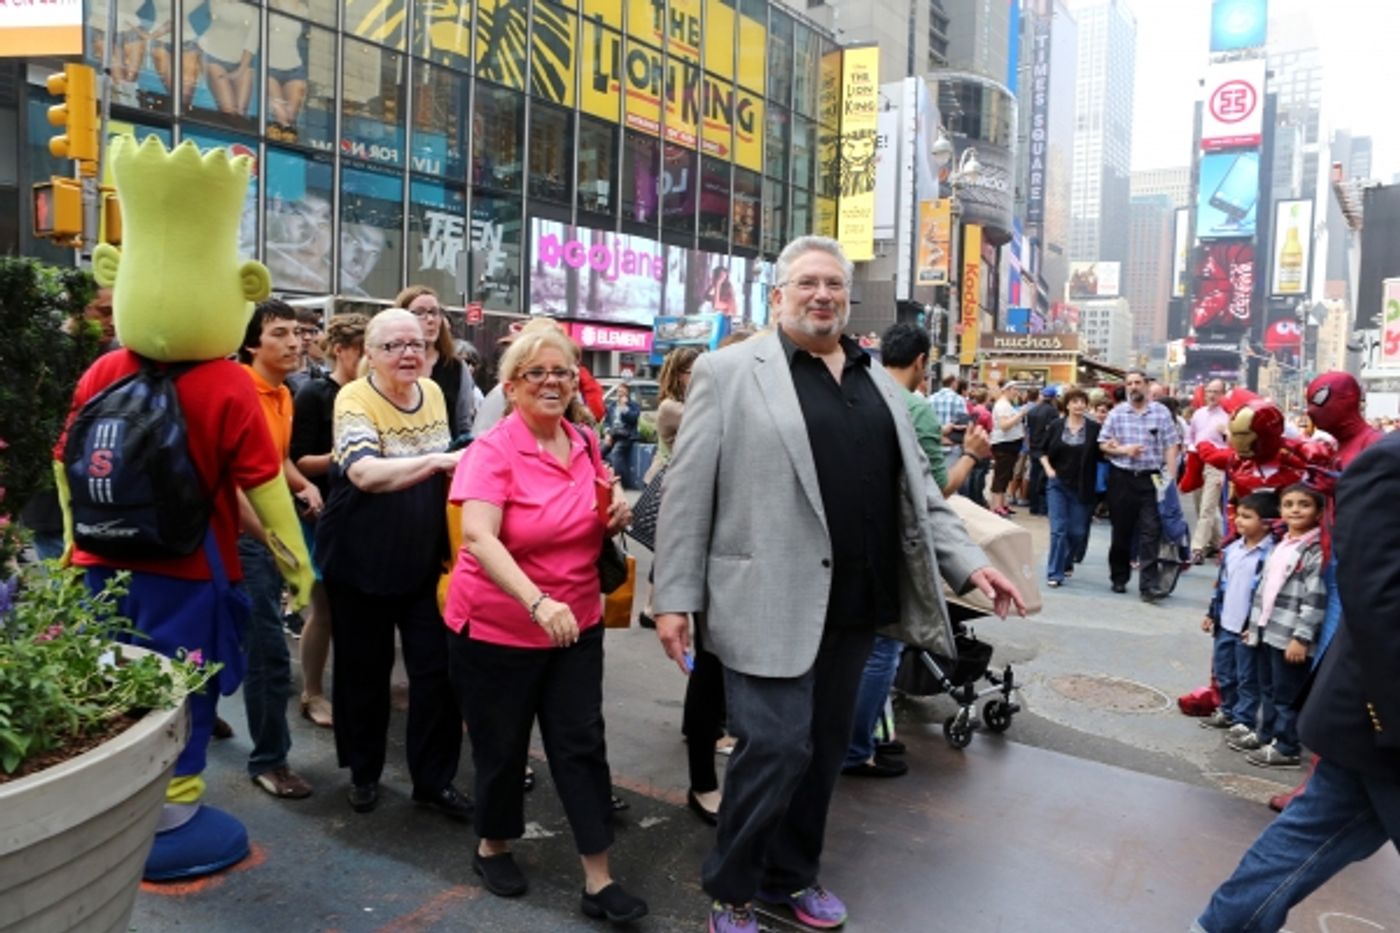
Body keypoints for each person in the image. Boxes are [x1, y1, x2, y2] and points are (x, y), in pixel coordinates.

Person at [651, 236, 1025, 933]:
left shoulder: (877, 380)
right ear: (778, 295)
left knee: (823, 753)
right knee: (775, 747)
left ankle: (791, 876)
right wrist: (673, 597)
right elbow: (687, 492)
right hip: (762, 599)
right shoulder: (729, 372)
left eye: (834, 285)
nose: (822, 295)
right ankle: (733, 889)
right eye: (808, 283)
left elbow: (920, 496)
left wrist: (969, 563)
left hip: (856, 604)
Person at [52, 136, 313, 880]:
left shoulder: (104, 369)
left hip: (101, 565)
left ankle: (113, 808)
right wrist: (298, 567)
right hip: (191, 572)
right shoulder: (226, 384)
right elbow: (265, 486)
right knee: (185, 693)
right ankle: (173, 816)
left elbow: (66, 464)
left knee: (110, 682)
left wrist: (72, 543)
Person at [443, 325, 648, 923]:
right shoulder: (492, 451)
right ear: (511, 387)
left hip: (575, 623)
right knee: (502, 746)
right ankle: (493, 844)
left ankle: (599, 878)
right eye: (537, 373)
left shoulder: (583, 441)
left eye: (562, 372)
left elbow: (589, 512)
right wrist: (537, 602)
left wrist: (613, 515)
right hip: (498, 627)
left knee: (581, 744)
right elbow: (479, 536)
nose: (552, 382)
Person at [1192, 434, 1400, 933]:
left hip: (1370, 727)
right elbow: (1377, 601)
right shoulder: (1390, 463)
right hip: (1377, 714)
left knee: (1301, 843)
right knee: (1300, 842)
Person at [313, 309, 468, 819]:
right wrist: (439, 461)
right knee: (363, 672)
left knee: (437, 672)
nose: (408, 354)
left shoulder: (435, 393)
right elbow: (364, 472)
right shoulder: (354, 398)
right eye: (394, 346)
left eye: (416, 344)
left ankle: (434, 780)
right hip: (359, 557)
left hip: (422, 557)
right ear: (371, 354)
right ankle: (364, 773)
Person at [842, 322, 992, 780]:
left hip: (848, 541)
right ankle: (857, 747)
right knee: (883, 648)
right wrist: (971, 455)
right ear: (922, 361)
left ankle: (856, 738)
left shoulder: (857, 390)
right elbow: (933, 493)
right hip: (892, 546)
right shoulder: (914, 408)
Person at [235, 299, 324, 798]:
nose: (295, 342)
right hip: (240, 537)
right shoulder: (238, 391)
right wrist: (267, 541)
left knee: (240, 637)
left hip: (270, 534)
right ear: (251, 344)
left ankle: (198, 715)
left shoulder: (284, 392)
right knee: (268, 652)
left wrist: (302, 485)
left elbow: (276, 459)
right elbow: (229, 481)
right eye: (280, 334)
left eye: (297, 332)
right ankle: (270, 761)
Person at [289, 313, 369, 728]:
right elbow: (297, 459)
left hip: (364, 513)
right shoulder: (315, 394)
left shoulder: (373, 393)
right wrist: (349, 455)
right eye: (363, 350)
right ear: (341, 350)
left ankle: (350, 692)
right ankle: (312, 692)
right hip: (320, 513)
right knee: (323, 609)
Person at [1224, 485, 1326, 769]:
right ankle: (1265, 734)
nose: (1295, 509)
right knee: (1267, 688)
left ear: (1319, 512)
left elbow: (1315, 598)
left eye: (1304, 504)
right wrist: (1255, 626)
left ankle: (1286, 746)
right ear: (1280, 511)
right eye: (1289, 504)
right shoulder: (1281, 544)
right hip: (1268, 631)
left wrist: (1301, 637)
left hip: (1289, 636)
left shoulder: (1314, 550)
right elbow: (1264, 591)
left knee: (1286, 695)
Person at [1197, 492, 1278, 735]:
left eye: (1247, 516)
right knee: (1224, 672)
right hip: (1225, 623)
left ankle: (1245, 719)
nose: (1239, 520)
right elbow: (1221, 585)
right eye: (1238, 515)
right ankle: (1227, 710)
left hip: (1247, 628)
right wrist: (1212, 613)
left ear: (1266, 523)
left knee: (1247, 677)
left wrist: (1256, 626)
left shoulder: (1271, 554)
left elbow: (1268, 597)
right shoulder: (1232, 549)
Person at [1099, 370, 1181, 601]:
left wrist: (1170, 478)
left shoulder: (1161, 412)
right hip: (1122, 477)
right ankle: (1119, 577)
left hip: (1151, 478)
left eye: (1137, 382)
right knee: (1121, 531)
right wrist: (1123, 450)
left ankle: (1148, 585)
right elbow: (1103, 444)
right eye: (1129, 384)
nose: (1133, 387)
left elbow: (1171, 445)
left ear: (1146, 385)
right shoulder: (1117, 414)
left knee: (1150, 531)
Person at [394, 286, 476, 447]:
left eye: (434, 312)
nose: (430, 319)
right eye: (420, 312)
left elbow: (464, 424)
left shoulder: (455, 367)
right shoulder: (389, 362)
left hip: (444, 456)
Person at [1039, 387, 1101, 588]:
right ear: (1066, 405)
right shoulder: (1056, 426)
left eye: (1082, 401)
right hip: (1057, 484)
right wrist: (1049, 469)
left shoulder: (1094, 429)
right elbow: (1040, 450)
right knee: (1058, 530)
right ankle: (1054, 573)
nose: (1079, 405)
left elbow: (1102, 453)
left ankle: (1066, 561)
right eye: (1074, 401)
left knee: (1077, 532)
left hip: (1083, 486)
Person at [1186, 380, 1230, 564]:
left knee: (1208, 507)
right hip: (1197, 461)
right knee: (1199, 505)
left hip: (1217, 464)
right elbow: (1190, 437)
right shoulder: (1199, 414)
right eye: (1209, 391)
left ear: (1223, 394)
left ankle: (1197, 548)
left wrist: (1226, 432)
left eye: (1216, 392)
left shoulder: (1228, 416)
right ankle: (1217, 542)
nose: (1211, 395)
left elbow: (1235, 444)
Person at [988, 383, 1026, 517]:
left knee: (1006, 475)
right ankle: (996, 505)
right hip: (1004, 444)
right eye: (1015, 389)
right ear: (1007, 390)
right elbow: (1004, 425)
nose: (1017, 392)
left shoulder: (1007, 404)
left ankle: (1002, 503)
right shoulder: (1002, 405)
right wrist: (1020, 415)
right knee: (1001, 475)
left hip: (1010, 443)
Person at [1024, 386, 1061, 517]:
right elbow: (1054, 430)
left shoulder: (1032, 410)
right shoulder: (1053, 412)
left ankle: (1033, 506)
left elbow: (1028, 429)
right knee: (1044, 477)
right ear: (1054, 397)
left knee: (1034, 476)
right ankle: (1043, 507)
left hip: (1033, 446)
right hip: (1046, 448)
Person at [601, 383, 640, 489]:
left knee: (616, 453)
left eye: (622, 392)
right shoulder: (612, 406)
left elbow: (633, 419)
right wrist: (607, 433)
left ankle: (621, 482)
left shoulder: (633, 406)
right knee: (599, 451)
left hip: (626, 436)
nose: (620, 394)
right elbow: (606, 422)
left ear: (627, 393)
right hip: (613, 435)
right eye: (618, 392)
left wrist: (624, 407)